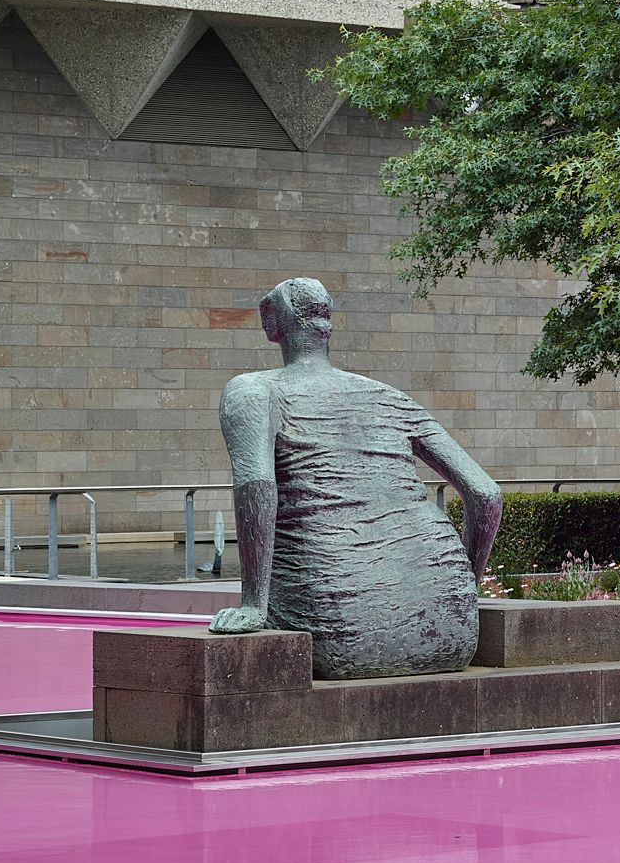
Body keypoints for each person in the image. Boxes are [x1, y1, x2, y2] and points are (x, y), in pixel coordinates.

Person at [208, 277, 504, 677]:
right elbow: (485, 494)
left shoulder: (254, 392)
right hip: (450, 633)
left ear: (271, 322)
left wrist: (253, 606)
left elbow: (257, 487)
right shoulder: (391, 398)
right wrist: (463, 587)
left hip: (337, 625)